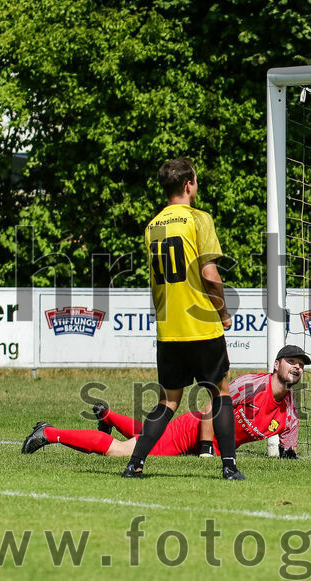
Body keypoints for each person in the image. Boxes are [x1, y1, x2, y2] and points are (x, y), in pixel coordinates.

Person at [122, 158, 241, 479]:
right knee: (220, 393)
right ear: (188, 184)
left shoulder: (152, 226)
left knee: (168, 401)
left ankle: (135, 463)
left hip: (169, 329)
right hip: (200, 323)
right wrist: (223, 311)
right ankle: (229, 467)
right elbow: (209, 272)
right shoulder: (198, 219)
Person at [21, 346, 310, 460]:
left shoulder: (291, 412)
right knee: (122, 452)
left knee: (145, 436)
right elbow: (211, 409)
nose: (296, 367)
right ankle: (48, 432)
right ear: (276, 365)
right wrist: (207, 451)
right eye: (291, 362)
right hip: (191, 433)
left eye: (301, 365)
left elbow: (289, 449)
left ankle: (108, 416)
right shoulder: (252, 385)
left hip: (199, 442)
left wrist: (290, 455)